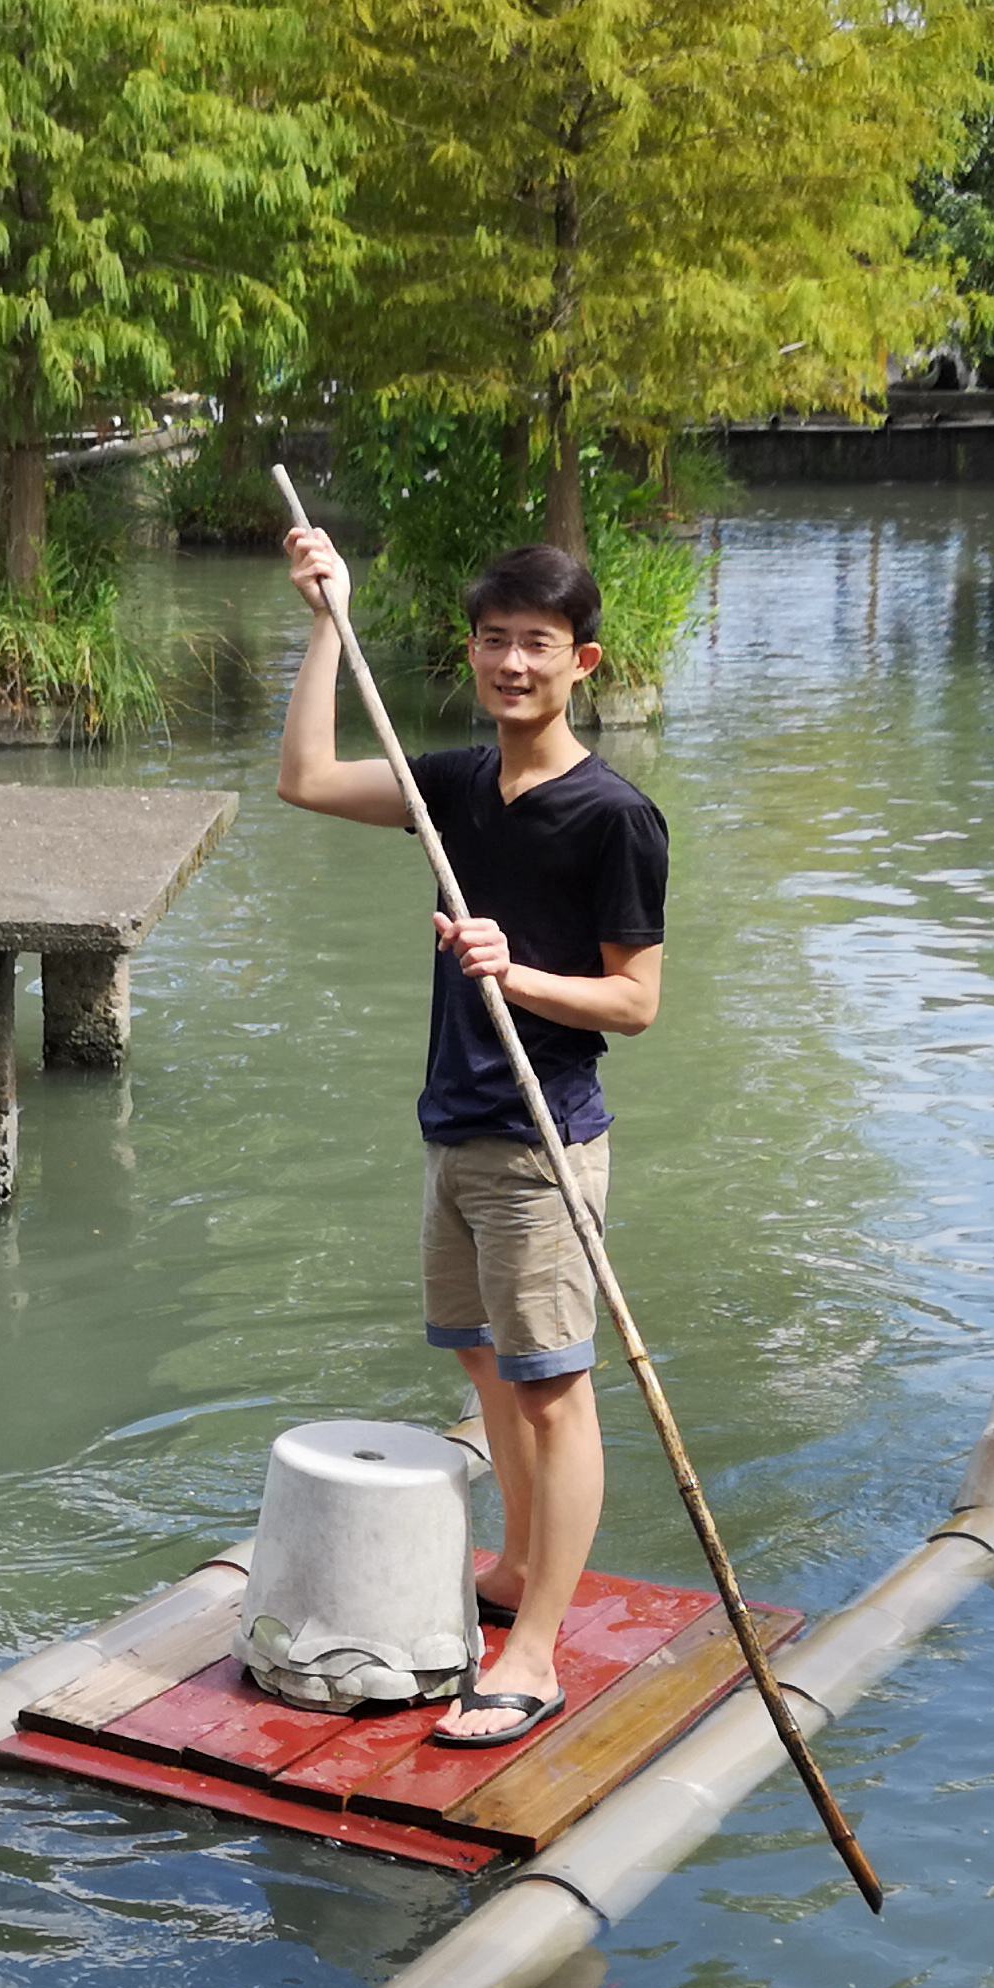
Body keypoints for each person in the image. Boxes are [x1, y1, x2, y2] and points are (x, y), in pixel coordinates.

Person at [276, 527, 667, 1745]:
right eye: (494, 640)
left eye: (536, 646)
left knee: (556, 1393)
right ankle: (508, 1570)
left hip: (545, 1144)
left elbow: (637, 1004)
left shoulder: (615, 818)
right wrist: (325, 621)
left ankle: (539, 1648)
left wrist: (521, 969)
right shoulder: (450, 785)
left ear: (582, 661)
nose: (511, 663)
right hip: (456, 1129)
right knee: (485, 1364)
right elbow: (303, 778)